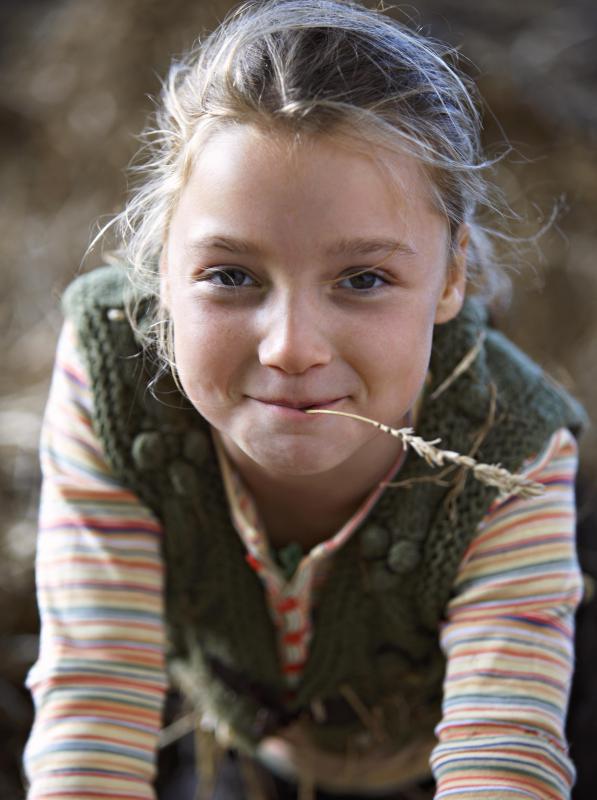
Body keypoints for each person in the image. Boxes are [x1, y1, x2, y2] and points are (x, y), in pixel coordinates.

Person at [23, 1, 586, 798]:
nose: (291, 347)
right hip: (247, 746)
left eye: (362, 280)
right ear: (161, 265)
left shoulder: (510, 447)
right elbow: (94, 698)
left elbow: (505, 754)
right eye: (230, 276)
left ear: (451, 275)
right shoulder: (112, 376)